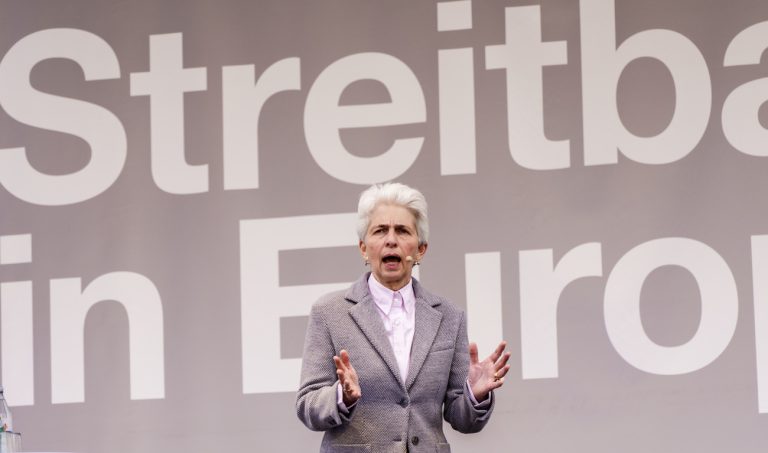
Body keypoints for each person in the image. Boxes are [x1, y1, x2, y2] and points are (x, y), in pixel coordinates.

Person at [296, 182, 510, 453]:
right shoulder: (329, 313)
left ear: (420, 250)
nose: (391, 239)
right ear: (364, 248)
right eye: (380, 230)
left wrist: (474, 395)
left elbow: (461, 417)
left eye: (403, 230)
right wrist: (341, 396)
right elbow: (308, 404)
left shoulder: (449, 317)